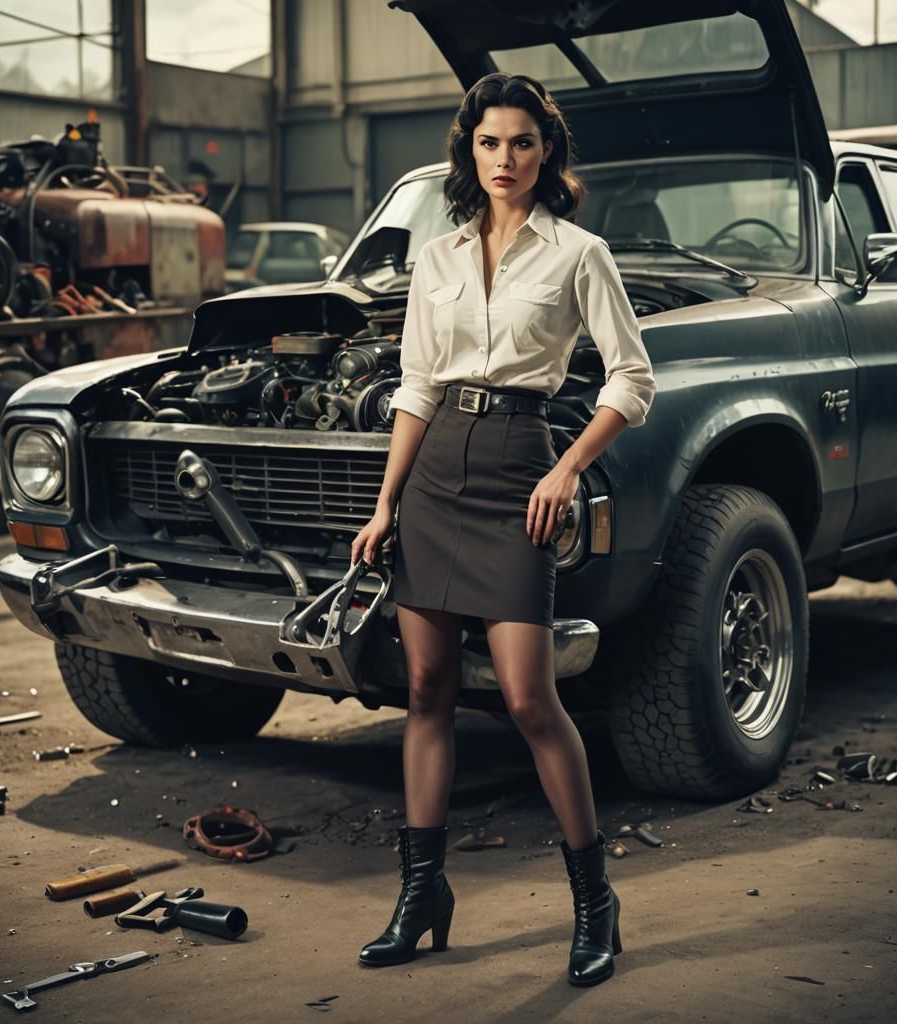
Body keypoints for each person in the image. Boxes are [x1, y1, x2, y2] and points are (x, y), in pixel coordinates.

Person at [351, 72, 656, 987]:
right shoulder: (436, 257)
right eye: (489, 142)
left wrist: (568, 468)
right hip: (437, 469)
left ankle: (595, 902)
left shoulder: (579, 254)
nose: (505, 159)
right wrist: (385, 503)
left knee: (528, 699)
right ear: (468, 150)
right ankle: (421, 892)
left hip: (524, 464)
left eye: (522, 142)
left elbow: (633, 380)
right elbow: (414, 388)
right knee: (429, 687)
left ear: (546, 151)